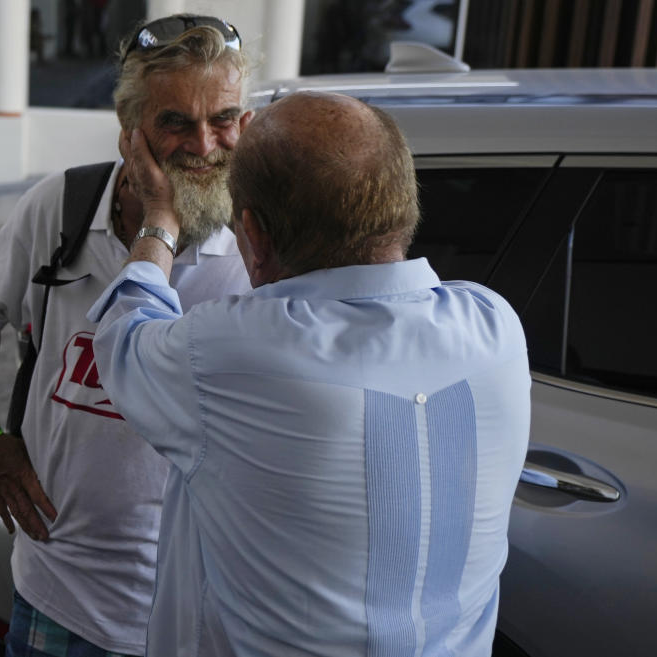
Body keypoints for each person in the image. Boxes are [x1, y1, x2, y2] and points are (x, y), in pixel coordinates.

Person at [88, 91, 532, 656]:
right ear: (404, 204)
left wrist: (158, 220)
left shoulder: (235, 350)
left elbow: (124, 332)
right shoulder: (496, 325)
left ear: (254, 234)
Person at [0, 15, 252, 657]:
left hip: (195, 611)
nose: (204, 145)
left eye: (223, 117)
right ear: (129, 132)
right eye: (175, 122)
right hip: (57, 593)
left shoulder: (259, 246)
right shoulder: (60, 207)